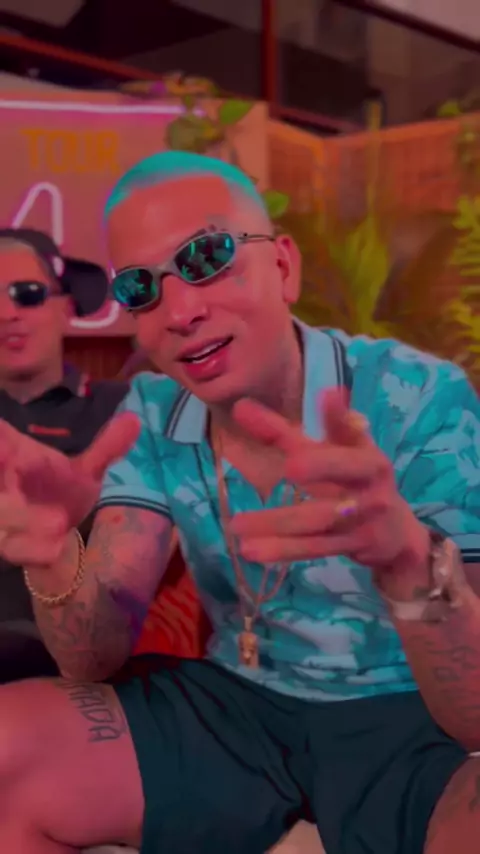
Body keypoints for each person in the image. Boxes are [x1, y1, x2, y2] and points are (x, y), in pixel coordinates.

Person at [0, 152, 478, 854]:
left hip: (406, 712)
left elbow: (474, 714)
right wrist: (53, 553)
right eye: (141, 287)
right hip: (236, 706)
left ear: (283, 267)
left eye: (208, 258)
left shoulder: (419, 396)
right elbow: (92, 656)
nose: (181, 312)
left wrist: (409, 561)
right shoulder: (154, 413)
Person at [0, 228, 128, 682]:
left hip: (67, 658)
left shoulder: (124, 411)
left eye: (27, 294)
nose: (6, 313)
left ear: (66, 306)